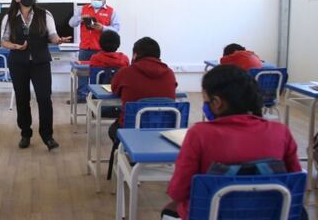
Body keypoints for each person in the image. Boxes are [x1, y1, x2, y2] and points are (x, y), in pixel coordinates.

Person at [163, 65, 302, 219]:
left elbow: (178, 191)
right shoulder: (281, 132)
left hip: (211, 214)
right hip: (269, 215)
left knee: (169, 209)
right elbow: (295, 182)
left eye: (205, 100)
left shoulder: (199, 134)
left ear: (217, 102)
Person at [1, 0, 72, 150]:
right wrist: (15, 47)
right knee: (22, 98)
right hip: (18, 62)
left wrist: (58, 40)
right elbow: (4, 40)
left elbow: (52, 35)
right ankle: (25, 133)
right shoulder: (9, 17)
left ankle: (47, 136)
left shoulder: (44, 14)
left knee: (44, 98)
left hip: (40, 62)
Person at [109, 37, 177, 139]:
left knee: (113, 129)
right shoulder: (170, 73)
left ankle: (121, 152)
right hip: (165, 131)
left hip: (131, 131)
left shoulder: (125, 72)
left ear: (135, 55)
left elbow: (114, 91)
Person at [69, 0, 120, 101]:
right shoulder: (83, 9)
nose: (96, 0)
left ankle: (99, 98)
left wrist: (103, 28)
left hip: (102, 49)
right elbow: (71, 23)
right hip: (85, 48)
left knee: (102, 74)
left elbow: (116, 28)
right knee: (82, 74)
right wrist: (81, 18)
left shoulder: (111, 11)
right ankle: (82, 96)